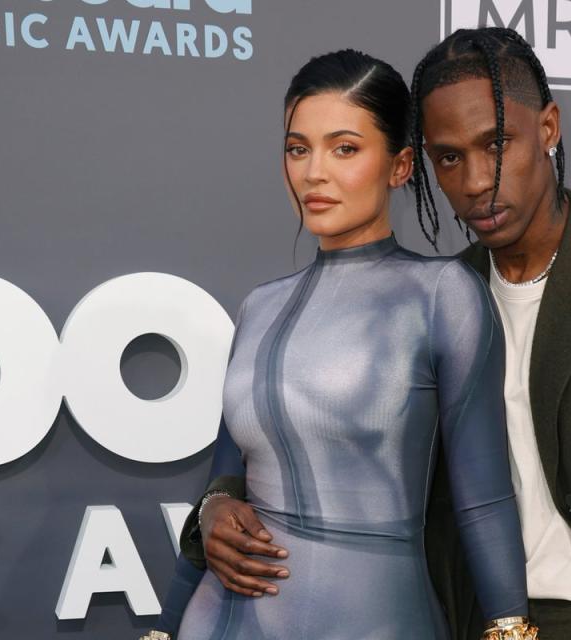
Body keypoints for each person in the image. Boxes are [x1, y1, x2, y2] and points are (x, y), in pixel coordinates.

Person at [171, 27, 571, 640]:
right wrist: (215, 506)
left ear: (549, 129)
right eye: (449, 158)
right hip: (461, 617)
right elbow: (304, 437)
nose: (476, 181)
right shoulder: (440, 294)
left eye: (497, 144)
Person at [143, 48, 537, 640]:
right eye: (298, 148)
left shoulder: (441, 294)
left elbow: (483, 499)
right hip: (220, 622)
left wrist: (510, 630)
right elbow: (223, 486)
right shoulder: (259, 306)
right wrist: (166, 622)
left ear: (400, 166)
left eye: (344, 148)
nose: (314, 173)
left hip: (378, 619)